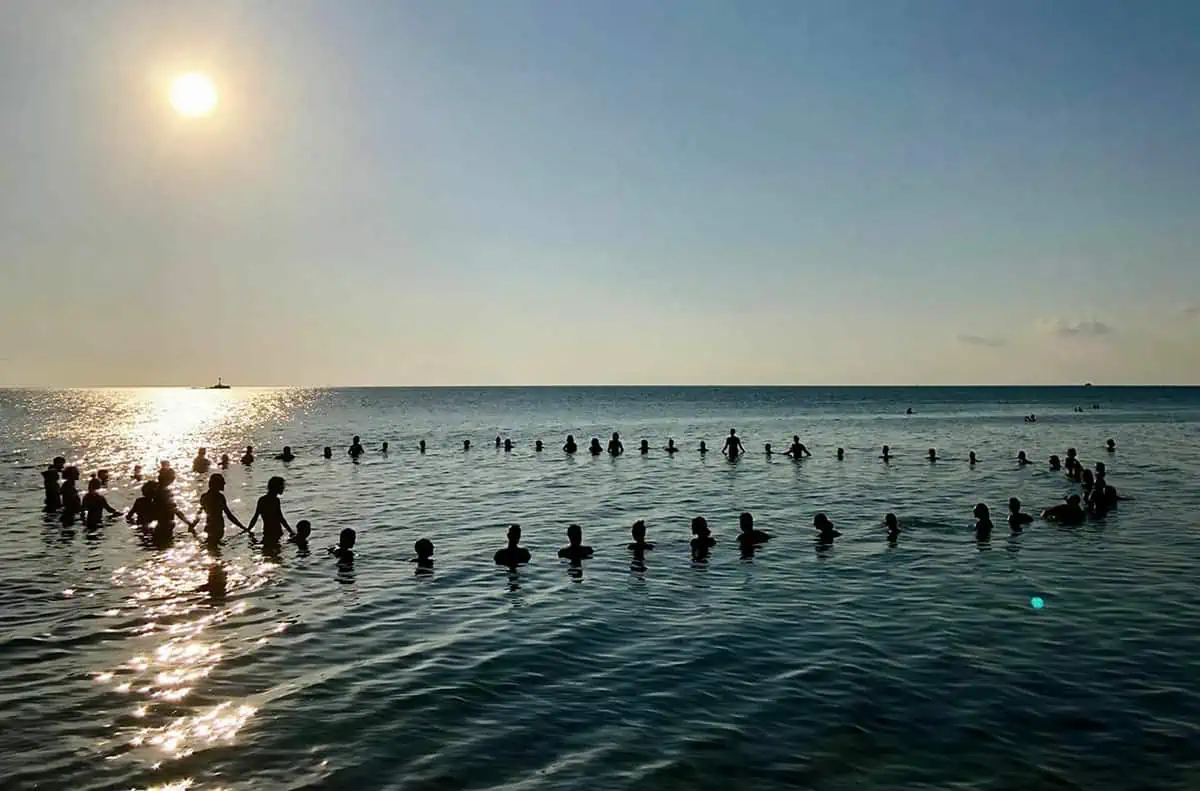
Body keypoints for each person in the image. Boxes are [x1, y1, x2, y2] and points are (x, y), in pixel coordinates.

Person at [198, 474, 247, 545]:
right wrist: (243, 528)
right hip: (218, 529)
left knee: (212, 546)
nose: (224, 483)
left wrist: (192, 525)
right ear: (217, 484)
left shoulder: (204, 497)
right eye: (222, 482)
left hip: (209, 528)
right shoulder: (220, 497)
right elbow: (229, 515)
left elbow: (199, 514)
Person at [248, 477, 294, 546]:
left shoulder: (262, 500)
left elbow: (255, 517)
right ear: (277, 487)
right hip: (276, 531)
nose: (283, 488)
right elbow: (281, 518)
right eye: (282, 486)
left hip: (267, 531)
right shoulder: (275, 500)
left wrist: (248, 530)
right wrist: (291, 531)